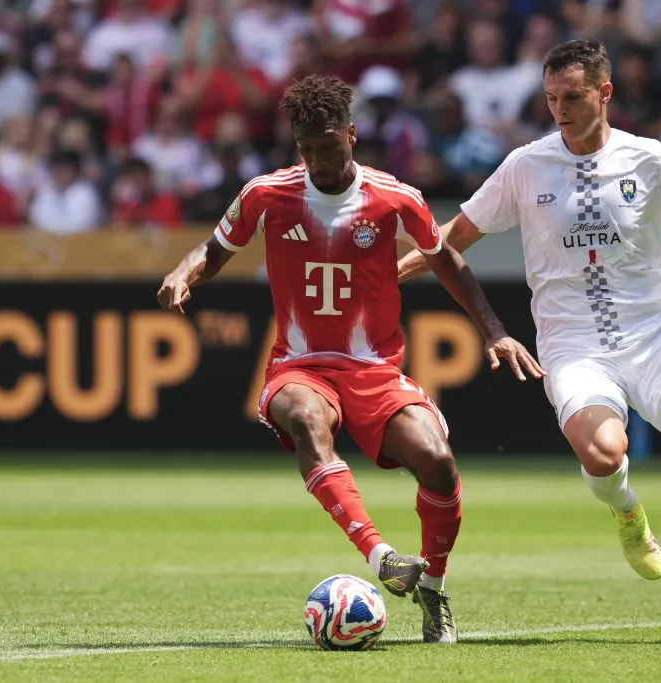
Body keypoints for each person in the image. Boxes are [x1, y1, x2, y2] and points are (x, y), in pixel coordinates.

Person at [157, 74, 543, 644]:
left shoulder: (394, 197)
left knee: (437, 462)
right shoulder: (267, 193)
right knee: (307, 420)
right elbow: (215, 250)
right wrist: (182, 272)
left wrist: (494, 331)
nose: (318, 160)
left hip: (376, 371)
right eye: (307, 149)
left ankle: (433, 588)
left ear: (352, 136)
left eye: (328, 147)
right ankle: (381, 555)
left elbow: (448, 263)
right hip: (300, 365)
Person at [398, 40, 661, 644]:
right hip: (573, 344)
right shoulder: (524, 165)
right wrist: (387, 274)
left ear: (605, 93)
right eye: (550, 99)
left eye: (571, 97)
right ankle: (625, 508)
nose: (559, 110)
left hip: (656, 336)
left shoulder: (648, 159)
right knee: (603, 455)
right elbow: (450, 239)